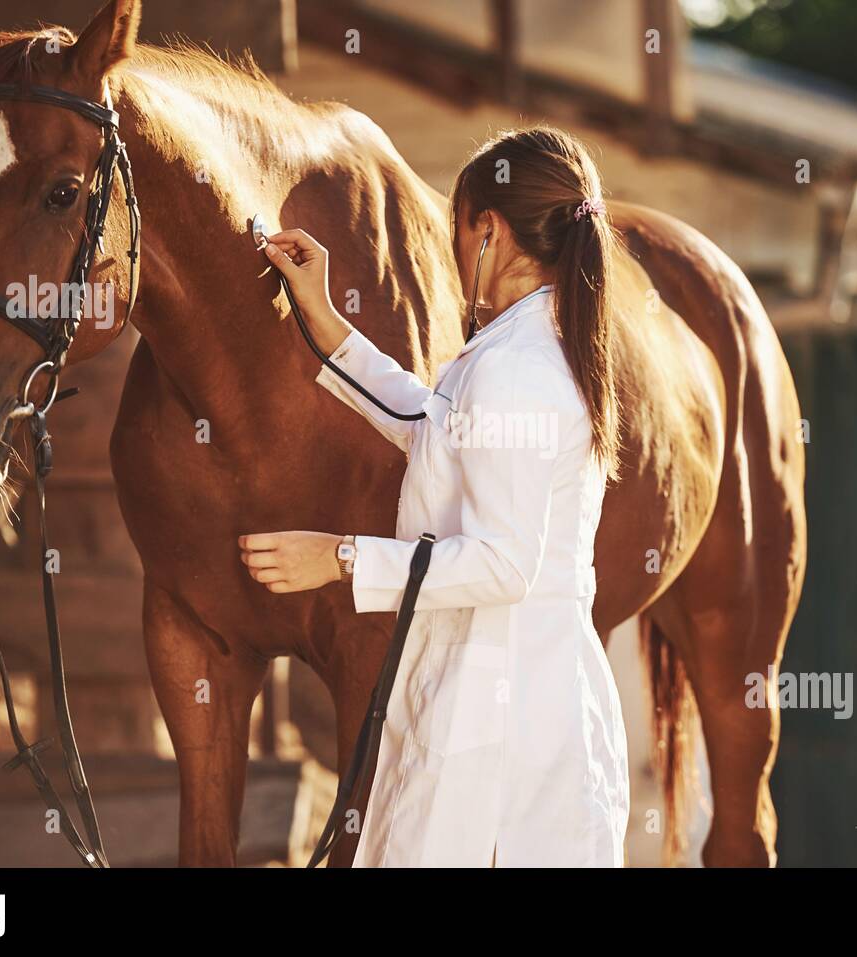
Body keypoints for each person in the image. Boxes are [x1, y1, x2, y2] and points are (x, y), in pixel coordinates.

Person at [239, 127, 630, 867]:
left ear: (490, 229)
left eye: (458, 226)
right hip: (514, 706)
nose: (454, 247)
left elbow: (505, 563)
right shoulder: (529, 348)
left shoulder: (516, 366)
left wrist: (341, 558)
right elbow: (432, 425)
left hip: (501, 738)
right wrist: (323, 317)